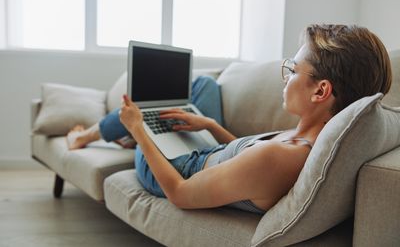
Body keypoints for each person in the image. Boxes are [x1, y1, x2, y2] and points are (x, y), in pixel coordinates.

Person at [68, 24, 392, 214]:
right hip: (206, 151)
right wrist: (209, 125)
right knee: (203, 84)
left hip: (174, 170)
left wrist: (140, 131)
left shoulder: (282, 156)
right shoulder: (305, 136)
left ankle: (87, 136)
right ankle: (127, 130)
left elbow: (180, 193)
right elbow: (244, 155)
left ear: (321, 91)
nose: (285, 78)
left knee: (142, 108)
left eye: (292, 70)